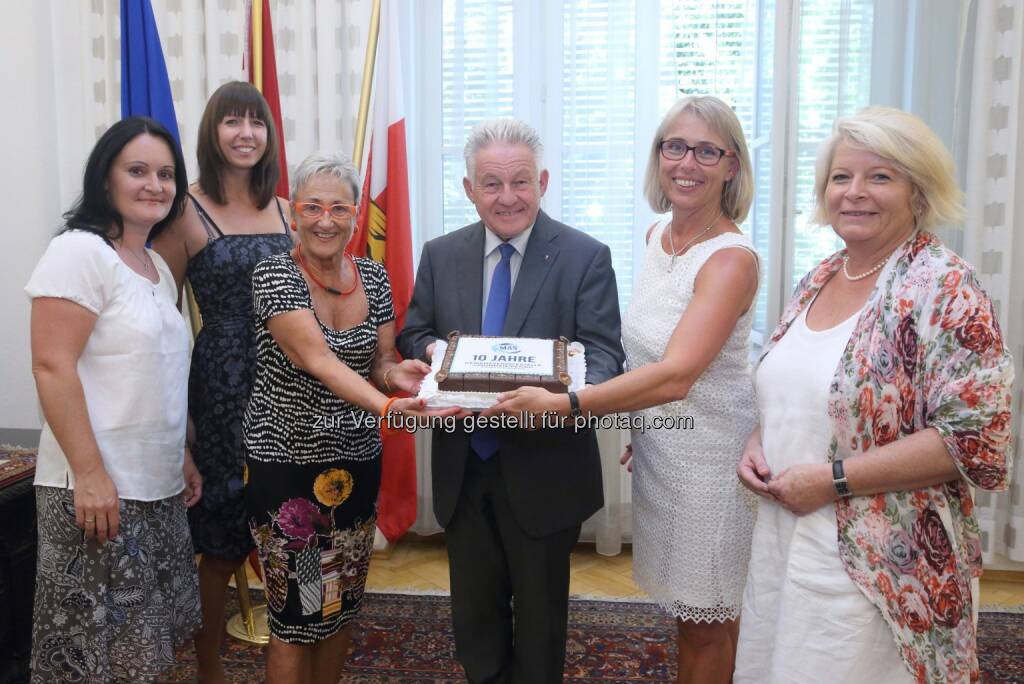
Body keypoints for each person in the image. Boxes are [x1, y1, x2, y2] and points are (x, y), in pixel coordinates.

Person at [733, 107, 1014, 683]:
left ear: (919, 190)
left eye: (880, 177)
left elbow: (974, 441)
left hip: (885, 561)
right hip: (787, 542)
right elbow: (800, 391)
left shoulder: (944, 285)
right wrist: (759, 439)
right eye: (841, 177)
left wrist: (832, 480)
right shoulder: (820, 276)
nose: (855, 193)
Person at [484, 97, 759, 684]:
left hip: (712, 463)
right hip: (665, 448)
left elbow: (676, 373)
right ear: (659, 156)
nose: (688, 162)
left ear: (731, 166)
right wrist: (643, 428)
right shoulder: (661, 236)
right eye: (675, 146)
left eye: (708, 151)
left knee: (707, 620)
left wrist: (564, 404)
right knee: (694, 612)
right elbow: (647, 349)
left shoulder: (731, 258)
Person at [397, 118, 625, 683]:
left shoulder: (584, 256)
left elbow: (604, 356)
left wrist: (565, 392)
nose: (507, 197)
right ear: (469, 189)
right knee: (474, 618)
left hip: (545, 470)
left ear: (542, 182)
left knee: (542, 623)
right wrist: (434, 353)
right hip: (463, 466)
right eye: (491, 184)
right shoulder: (440, 254)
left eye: (520, 182)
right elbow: (412, 333)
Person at [243, 152, 454, 683]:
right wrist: (387, 407)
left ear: (356, 217)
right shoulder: (274, 274)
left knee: (336, 605)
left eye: (339, 209)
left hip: (354, 468)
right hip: (287, 468)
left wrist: (397, 376)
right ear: (294, 214)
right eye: (312, 207)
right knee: (296, 615)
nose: (324, 221)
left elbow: (378, 361)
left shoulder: (375, 279)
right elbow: (317, 359)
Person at [26, 116, 202, 682]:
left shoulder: (155, 266)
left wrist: (181, 455)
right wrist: (90, 472)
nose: (155, 184)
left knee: (143, 652)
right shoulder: (79, 252)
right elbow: (52, 366)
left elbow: (152, 374)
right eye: (138, 170)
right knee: (91, 658)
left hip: (156, 489)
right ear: (106, 179)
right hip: (96, 492)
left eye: (167, 174)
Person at [152, 81, 293, 681]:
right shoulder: (183, 208)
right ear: (212, 134)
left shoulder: (289, 208)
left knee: (293, 521)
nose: (245, 134)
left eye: (256, 123)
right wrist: (178, 420)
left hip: (291, 379)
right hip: (221, 387)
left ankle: (298, 648)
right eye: (231, 122)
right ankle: (208, 666)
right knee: (221, 534)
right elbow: (159, 316)